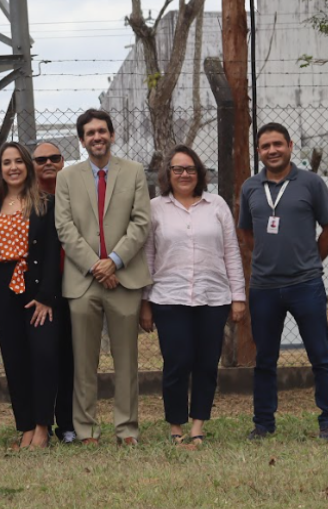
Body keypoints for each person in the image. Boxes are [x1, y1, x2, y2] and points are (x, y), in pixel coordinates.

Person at [55, 108, 152, 446]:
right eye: (90, 133)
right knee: (84, 362)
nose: (97, 137)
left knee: (126, 361)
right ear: (82, 140)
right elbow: (64, 227)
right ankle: (86, 430)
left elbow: (141, 223)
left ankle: (126, 429)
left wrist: (113, 261)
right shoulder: (66, 178)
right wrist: (96, 265)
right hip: (82, 282)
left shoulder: (134, 172)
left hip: (124, 278)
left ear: (112, 134)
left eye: (102, 131)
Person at [140, 145, 246, 447]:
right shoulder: (155, 207)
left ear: (199, 173)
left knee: (206, 363)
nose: (184, 174)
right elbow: (148, 256)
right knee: (177, 361)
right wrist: (145, 303)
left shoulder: (217, 205)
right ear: (168, 174)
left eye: (190, 169)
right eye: (177, 169)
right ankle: (176, 426)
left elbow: (231, 252)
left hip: (213, 298)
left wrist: (238, 296)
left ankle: (198, 426)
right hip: (168, 298)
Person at [238, 122, 328, 441]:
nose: (272, 150)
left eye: (278, 144)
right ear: (259, 151)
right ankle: (263, 424)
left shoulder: (311, 183)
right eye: (265, 146)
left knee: (320, 355)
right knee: (265, 359)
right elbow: (248, 233)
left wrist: (310, 261)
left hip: (306, 285)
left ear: (290, 146)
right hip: (264, 288)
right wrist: (268, 258)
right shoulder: (250, 187)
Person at [0, 142, 62, 450]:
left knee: (42, 356)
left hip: (36, 286)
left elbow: (54, 250)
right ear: (0, 170)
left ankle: (43, 427)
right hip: (3, 288)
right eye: (6, 163)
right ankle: (25, 427)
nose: (12, 167)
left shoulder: (45, 202)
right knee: (14, 360)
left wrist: (46, 296)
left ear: (27, 166)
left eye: (18, 161)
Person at [31, 141, 75, 445]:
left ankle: (69, 423)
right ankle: (38, 422)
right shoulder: (28, 200)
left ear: (63, 161)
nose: (48, 163)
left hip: (77, 284)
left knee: (73, 358)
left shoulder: (75, 193)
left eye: (54, 158)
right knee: (46, 358)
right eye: (41, 159)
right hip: (42, 292)